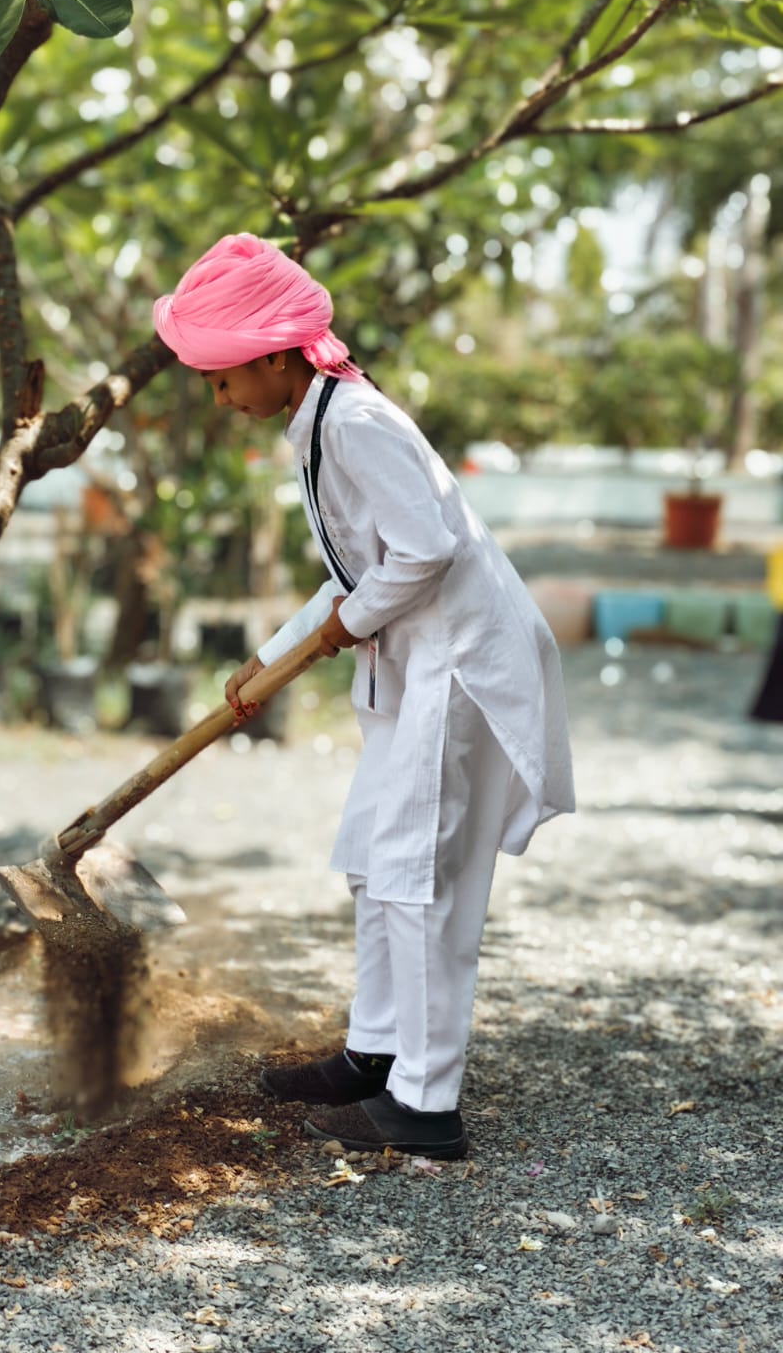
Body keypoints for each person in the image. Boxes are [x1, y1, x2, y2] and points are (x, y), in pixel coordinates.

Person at [153, 233, 575, 1160]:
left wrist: (345, 626)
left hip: (457, 666)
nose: (220, 398)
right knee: (371, 858)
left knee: (418, 876)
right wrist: (267, 658)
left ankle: (424, 1103)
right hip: (413, 665)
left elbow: (426, 552)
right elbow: (361, 568)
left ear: (275, 356)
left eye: (223, 378)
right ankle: (375, 1053)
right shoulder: (323, 420)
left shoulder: (355, 422)